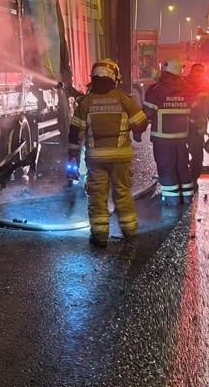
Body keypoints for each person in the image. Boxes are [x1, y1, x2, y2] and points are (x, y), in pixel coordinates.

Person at [68, 59, 150, 247]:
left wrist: (72, 155)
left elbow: (75, 132)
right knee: (122, 193)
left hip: (96, 159)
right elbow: (141, 122)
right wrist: (129, 128)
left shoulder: (86, 103)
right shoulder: (123, 100)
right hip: (121, 157)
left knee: (97, 195)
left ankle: (100, 236)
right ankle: (130, 231)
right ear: (115, 78)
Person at [143, 57, 194, 204]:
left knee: (166, 167)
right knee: (182, 166)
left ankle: (172, 202)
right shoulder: (187, 88)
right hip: (182, 137)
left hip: (162, 139)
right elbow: (195, 110)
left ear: (165, 69)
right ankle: (187, 197)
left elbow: (147, 113)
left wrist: (137, 129)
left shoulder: (156, 90)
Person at [186, 63, 209, 187]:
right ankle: (186, 177)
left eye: (200, 72)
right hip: (183, 126)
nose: (198, 75)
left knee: (197, 155)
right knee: (183, 153)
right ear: (191, 72)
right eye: (196, 72)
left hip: (197, 127)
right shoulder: (183, 83)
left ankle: (193, 178)